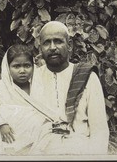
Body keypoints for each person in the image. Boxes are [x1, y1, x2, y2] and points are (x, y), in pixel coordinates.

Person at [30, 21, 110, 155]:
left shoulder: (88, 77)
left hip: (80, 151)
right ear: (40, 48)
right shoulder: (32, 79)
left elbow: (99, 130)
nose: (52, 47)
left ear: (70, 45)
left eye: (58, 41)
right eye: (46, 43)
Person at [0, 44, 57, 155]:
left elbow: (47, 110)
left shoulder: (38, 87)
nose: (22, 70)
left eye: (27, 66)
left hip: (35, 135)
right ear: (8, 67)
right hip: (10, 136)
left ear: (33, 66)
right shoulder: (2, 87)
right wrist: (1, 124)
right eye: (16, 66)